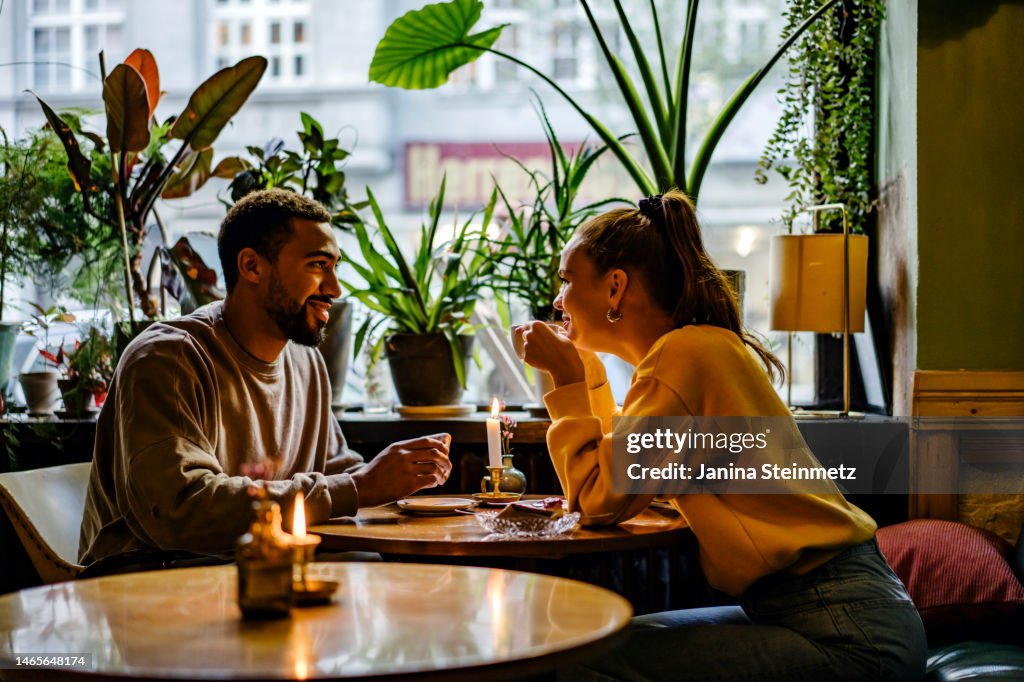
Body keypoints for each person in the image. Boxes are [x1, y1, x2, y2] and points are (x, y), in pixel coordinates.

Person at [514, 189, 926, 681]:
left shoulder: (686, 356)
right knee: (595, 642)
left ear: (615, 287)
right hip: (827, 613)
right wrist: (590, 376)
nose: (558, 299)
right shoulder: (694, 352)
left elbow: (599, 501)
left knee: (578, 661)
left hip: (847, 633)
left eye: (566, 280)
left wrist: (567, 381)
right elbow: (619, 472)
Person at [79, 189, 452, 571]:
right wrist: (361, 487)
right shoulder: (167, 359)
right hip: (149, 584)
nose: (335, 289)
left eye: (334, 267)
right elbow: (181, 510)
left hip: (263, 567)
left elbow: (337, 476)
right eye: (318, 265)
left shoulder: (305, 361)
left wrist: (401, 483)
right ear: (252, 267)